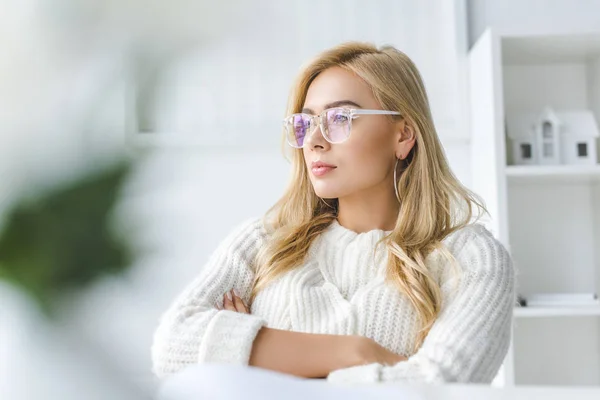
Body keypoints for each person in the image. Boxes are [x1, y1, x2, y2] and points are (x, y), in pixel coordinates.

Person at [151, 42, 515, 385]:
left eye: (340, 118)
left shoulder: (469, 258)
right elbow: (172, 346)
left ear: (403, 135)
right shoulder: (263, 243)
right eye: (306, 123)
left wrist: (260, 357)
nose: (314, 140)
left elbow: (438, 386)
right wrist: (359, 352)